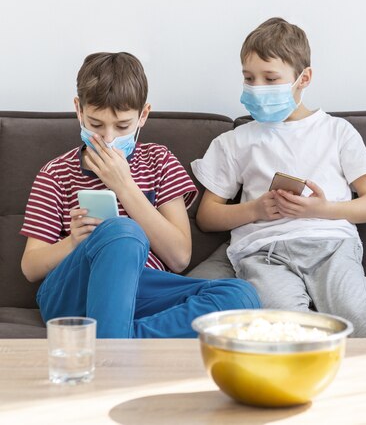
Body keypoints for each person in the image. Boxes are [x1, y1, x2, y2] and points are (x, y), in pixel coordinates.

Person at [191, 17, 366, 337]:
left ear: (303, 78)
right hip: (264, 253)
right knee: (286, 334)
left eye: (270, 78)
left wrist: (320, 209)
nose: (257, 89)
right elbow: (207, 217)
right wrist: (255, 210)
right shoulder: (234, 141)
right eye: (249, 79)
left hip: (331, 245)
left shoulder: (338, 132)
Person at [20, 52, 260, 338]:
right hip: (74, 294)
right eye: (96, 125)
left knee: (241, 296)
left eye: (122, 126)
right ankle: (116, 346)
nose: (108, 139)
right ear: (79, 111)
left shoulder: (159, 160)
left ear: (143, 115)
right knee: (121, 231)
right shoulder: (56, 173)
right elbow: (31, 267)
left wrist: (124, 186)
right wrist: (73, 242)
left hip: (142, 290)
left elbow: (180, 258)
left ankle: (118, 340)